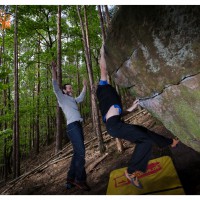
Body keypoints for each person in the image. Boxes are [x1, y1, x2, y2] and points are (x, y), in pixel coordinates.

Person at [96, 46, 179, 189]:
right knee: (145, 141)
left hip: (116, 123)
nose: (104, 79)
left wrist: (130, 109)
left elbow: (116, 112)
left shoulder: (109, 97)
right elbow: (103, 69)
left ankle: (170, 142)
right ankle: (131, 171)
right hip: (114, 126)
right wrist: (103, 52)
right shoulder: (102, 88)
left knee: (144, 131)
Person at [51, 61, 91, 191]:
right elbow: (55, 86)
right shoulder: (61, 98)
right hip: (72, 127)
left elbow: (81, 97)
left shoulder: (72, 99)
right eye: (69, 88)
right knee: (81, 153)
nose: (71, 89)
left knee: (77, 153)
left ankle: (70, 180)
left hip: (77, 126)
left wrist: (85, 86)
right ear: (64, 90)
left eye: (71, 87)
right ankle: (80, 179)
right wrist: (54, 70)